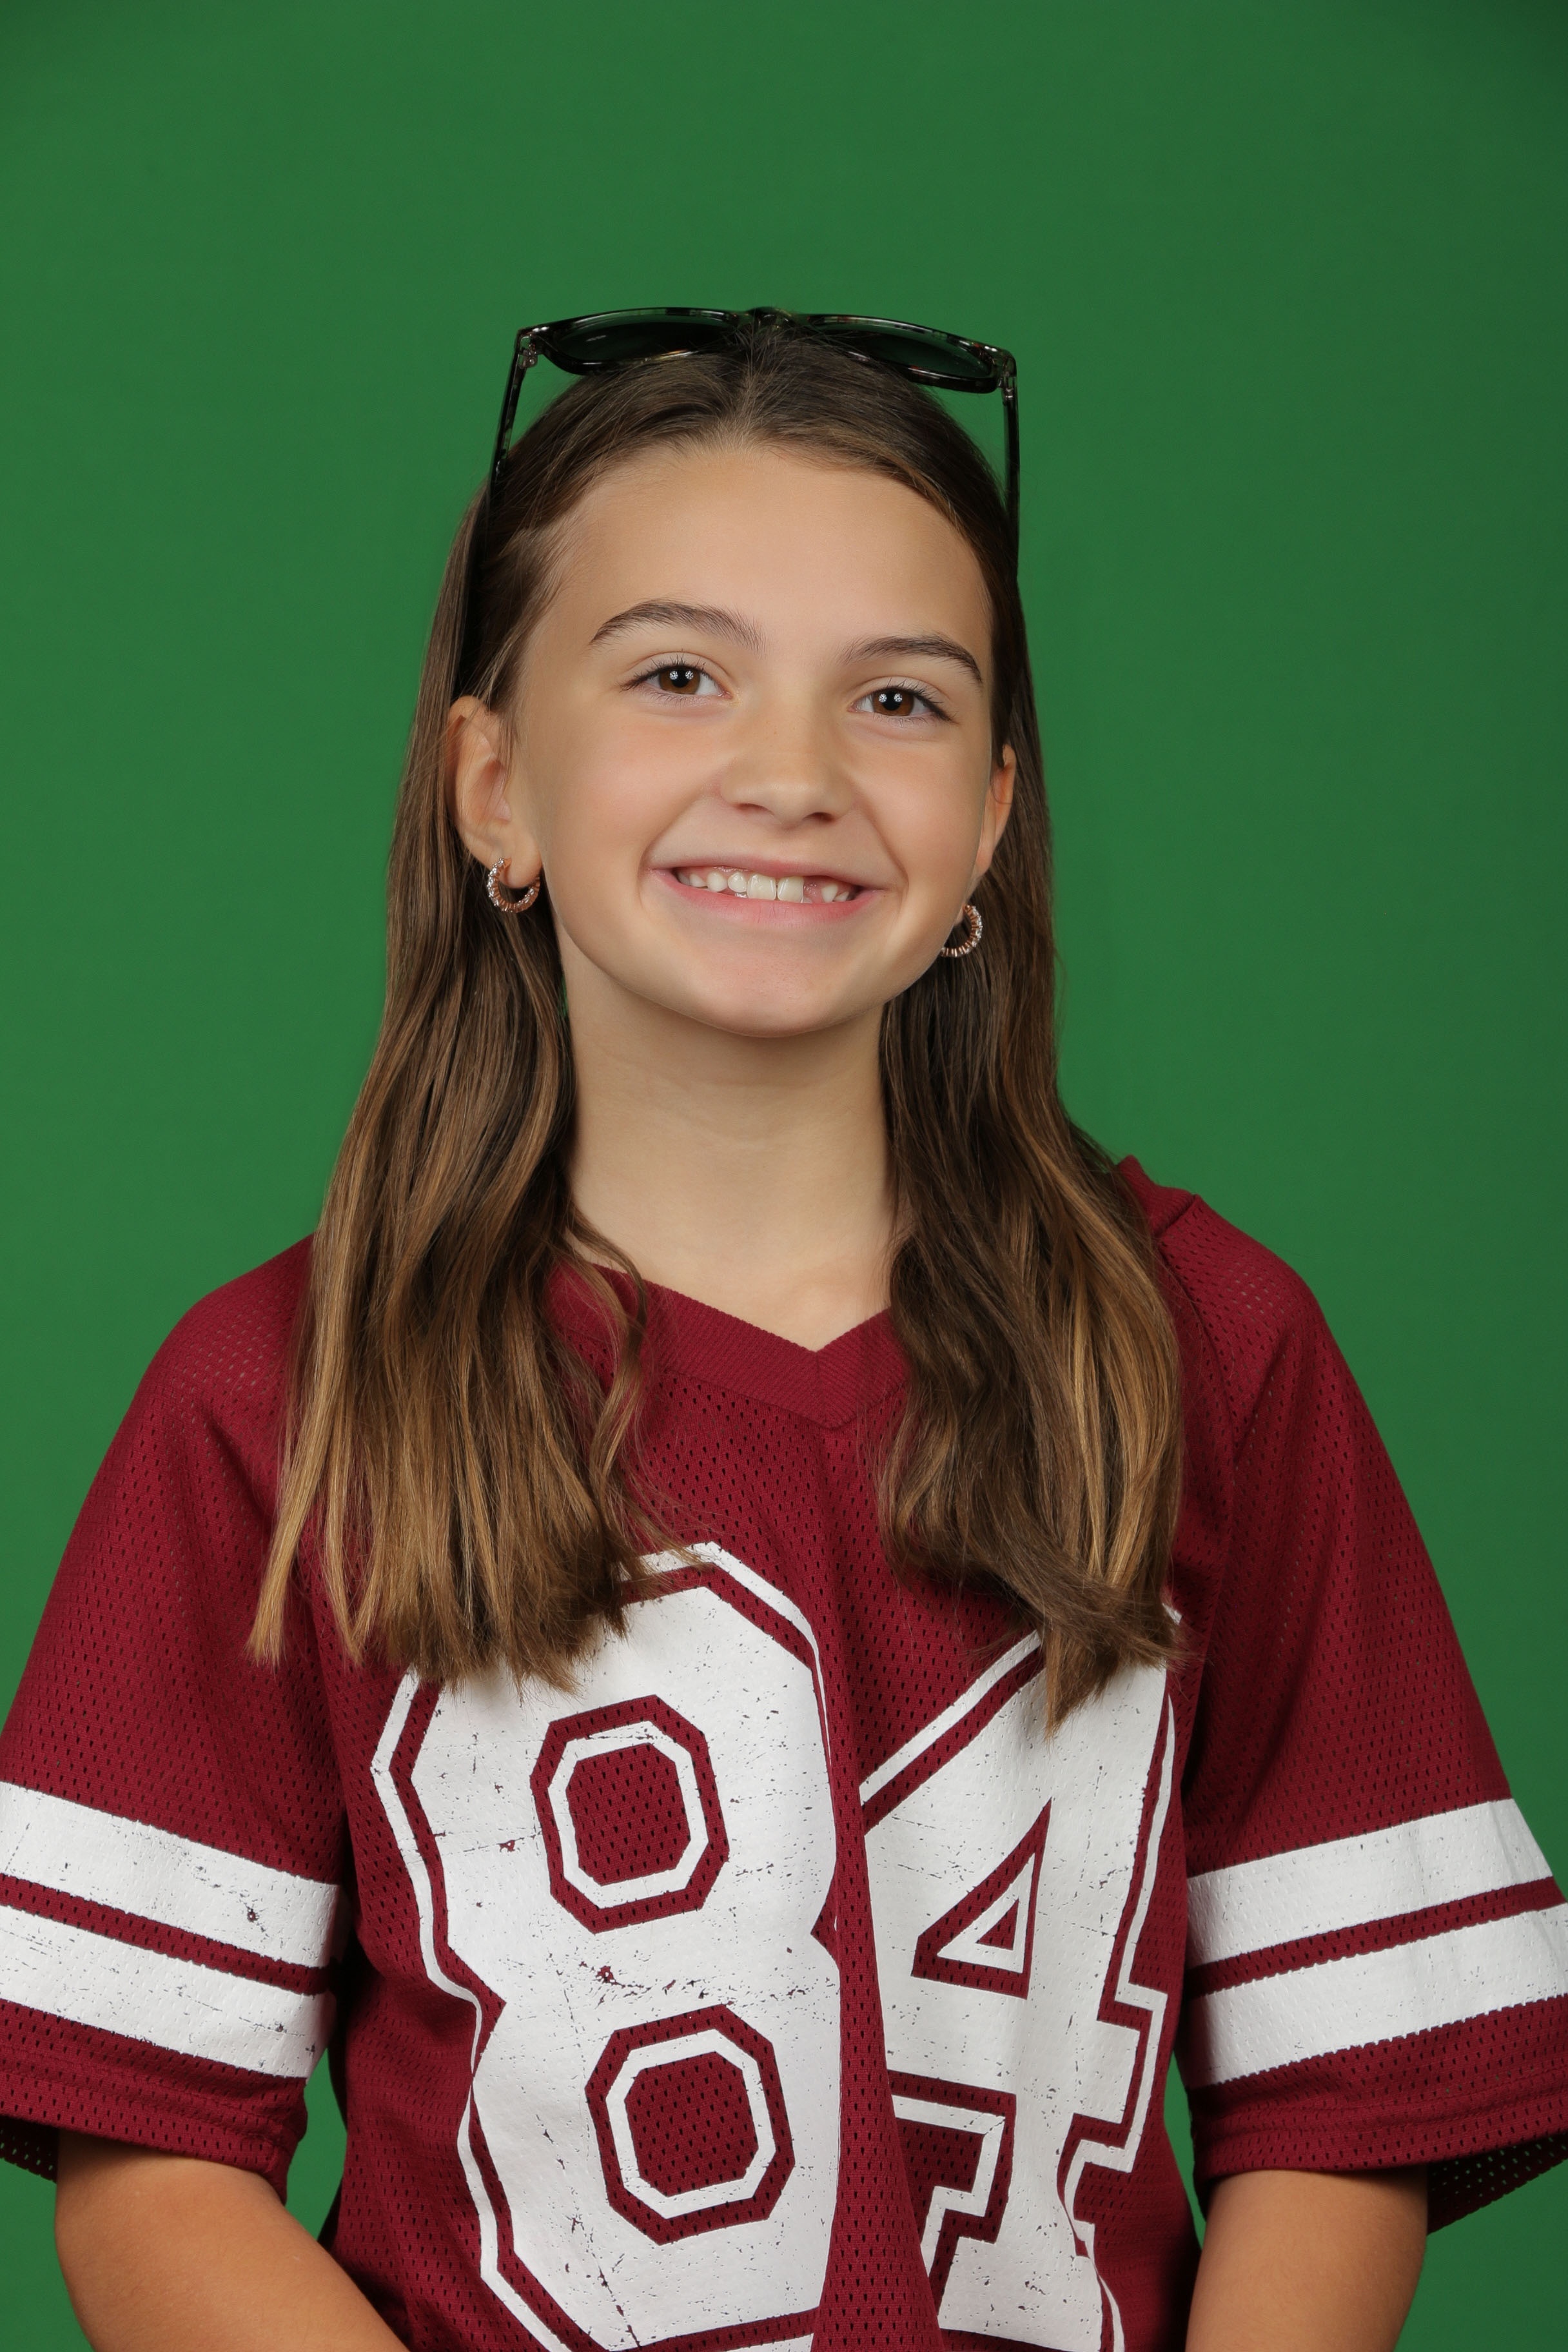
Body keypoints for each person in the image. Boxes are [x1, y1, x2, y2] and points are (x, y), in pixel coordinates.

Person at [1, 311, 1562, 2352]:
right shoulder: (273, 1404)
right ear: (494, 788)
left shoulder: (1209, 1352)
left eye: (898, 699)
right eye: (678, 673)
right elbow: (150, 2159)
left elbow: (1349, 2100)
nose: (795, 776)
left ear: (990, 815)